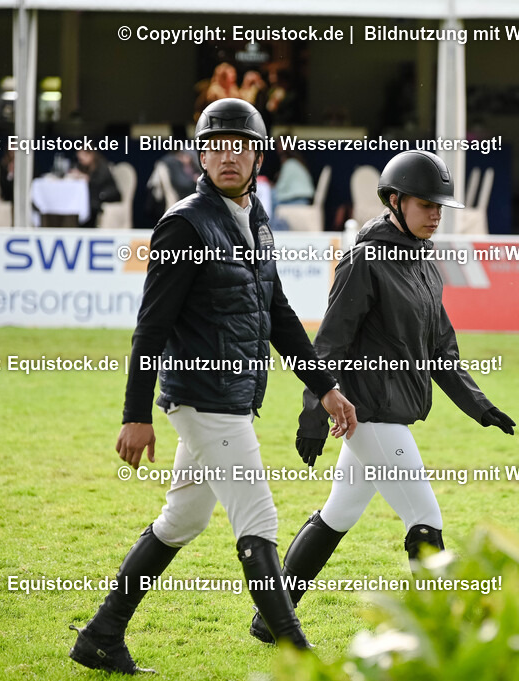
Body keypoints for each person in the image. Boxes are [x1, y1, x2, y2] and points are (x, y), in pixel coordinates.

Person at [68, 98, 357, 674]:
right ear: (200, 156)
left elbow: (277, 313)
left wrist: (324, 387)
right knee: (259, 521)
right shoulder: (184, 224)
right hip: (203, 399)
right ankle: (300, 659)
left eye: (240, 146)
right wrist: (135, 415)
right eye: (216, 146)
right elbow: (150, 328)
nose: (228, 156)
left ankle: (101, 636)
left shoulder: (257, 219)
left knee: (183, 520)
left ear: (258, 157)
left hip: (234, 395)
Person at [248, 149, 517, 644]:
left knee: (338, 514)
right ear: (395, 201)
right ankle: (439, 636)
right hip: (370, 414)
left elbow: (442, 350)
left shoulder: (425, 262)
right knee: (425, 518)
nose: (436, 215)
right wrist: (312, 416)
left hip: (388, 413)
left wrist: (481, 407)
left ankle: (270, 620)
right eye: (426, 205)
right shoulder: (364, 261)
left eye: (440, 207)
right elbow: (328, 345)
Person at [70, 149, 120, 227]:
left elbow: (99, 183)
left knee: (89, 204)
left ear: (91, 155)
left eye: (82, 158)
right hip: (94, 195)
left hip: (104, 195)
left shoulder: (101, 165)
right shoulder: (84, 167)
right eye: (79, 159)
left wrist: (87, 179)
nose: (81, 161)